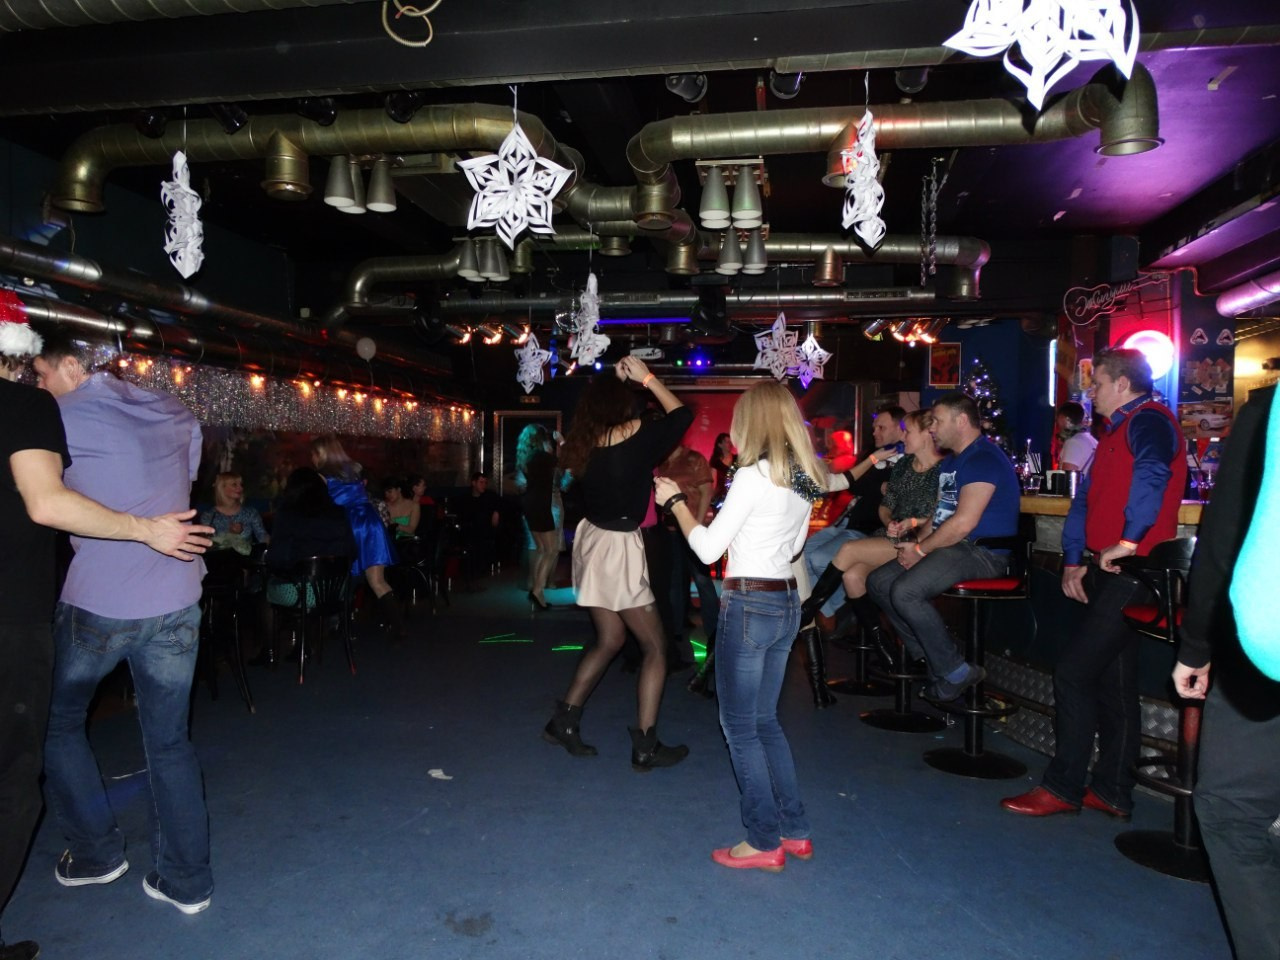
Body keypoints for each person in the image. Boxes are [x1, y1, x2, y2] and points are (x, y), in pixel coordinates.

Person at [0, 318, 211, 959]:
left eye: (40, 372)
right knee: (169, 742)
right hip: (177, 596)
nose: (37, 384)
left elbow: (44, 500)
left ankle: (96, 852)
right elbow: (184, 481)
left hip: (100, 603)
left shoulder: (54, 415)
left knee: (53, 724)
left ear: (70, 366)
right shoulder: (174, 408)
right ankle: (187, 881)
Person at [1002, 348, 1187, 818]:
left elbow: (1154, 473)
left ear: (1122, 384)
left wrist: (1128, 540)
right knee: (1114, 683)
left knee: (1073, 673)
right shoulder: (1114, 432)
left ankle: (1063, 787)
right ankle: (1112, 791)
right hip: (1113, 567)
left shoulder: (1150, 420)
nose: (1090, 394)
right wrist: (1072, 559)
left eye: (1097, 383)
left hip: (1139, 568)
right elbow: (1086, 499)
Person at [655, 381, 824, 872]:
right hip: (786, 600)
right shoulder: (804, 477)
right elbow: (795, 546)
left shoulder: (752, 475)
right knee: (766, 721)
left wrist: (675, 503)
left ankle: (764, 839)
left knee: (740, 727)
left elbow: (708, 548)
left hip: (750, 601)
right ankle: (794, 829)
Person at [542, 357, 691, 770]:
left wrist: (620, 380)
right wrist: (647, 378)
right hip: (618, 548)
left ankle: (562, 722)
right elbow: (682, 415)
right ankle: (645, 745)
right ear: (625, 404)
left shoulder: (583, 443)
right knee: (656, 646)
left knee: (610, 640)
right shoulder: (637, 435)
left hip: (592, 541)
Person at [1173, 383, 1280, 960]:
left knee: (1232, 810)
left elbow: (1225, 537)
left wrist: (1195, 643)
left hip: (1269, 643)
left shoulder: (1269, 410)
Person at [866, 392, 1020, 702]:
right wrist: (914, 544)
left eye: (937, 421)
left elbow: (963, 523)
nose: (932, 427)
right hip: (954, 547)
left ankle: (953, 671)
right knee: (879, 581)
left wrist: (921, 551)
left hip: (983, 553)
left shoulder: (983, 459)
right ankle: (935, 661)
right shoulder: (952, 461)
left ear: (961, 421)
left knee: (905, 591)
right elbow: (940, 516)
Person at [801, 409, 944, 664]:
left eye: (908, 431)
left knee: (847, 551)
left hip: (921, 539)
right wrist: (890, 522)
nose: (904, 437)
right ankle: (885, 649)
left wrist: (910, 524)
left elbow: (940, 514)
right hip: (891, 534)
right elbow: (885, 506)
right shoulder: (904, 465)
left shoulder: (943, 469)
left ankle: (807, 611)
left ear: (926, 434)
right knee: (851, 576)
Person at [800, 406, 905, 634]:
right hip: (847, 522)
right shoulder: (873, 453)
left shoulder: (907, 460)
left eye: (881, 427)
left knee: (820, 559)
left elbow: (886, 494)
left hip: (870, 531)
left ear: (900, 429)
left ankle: (836, 610)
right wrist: (878, 486)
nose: (874, 432)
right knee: (802, 555)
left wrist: (875, 485)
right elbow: (853, 485)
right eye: (874, 427)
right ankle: (830, 611)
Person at [309, 436, 402, 638]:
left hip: (351, 524)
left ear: (321, 453)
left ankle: (340, 626)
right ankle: (397, 627)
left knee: (345, 577)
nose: (312, 458)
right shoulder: (354, 469)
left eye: (313, 454)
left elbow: (324, 508)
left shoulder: (322, 476)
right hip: (371, 522)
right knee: (377, 581)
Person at [266, 468, 358, 614]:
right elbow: (352, 551)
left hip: (301, 592)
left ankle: (280, 628)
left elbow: (277, 558)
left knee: (266, 588)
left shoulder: (287, 515)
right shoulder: (339, 513)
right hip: (338, 591)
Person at [515, 424, 558, 611]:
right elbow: (561, 461)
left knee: (542, 549)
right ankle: (538, 590)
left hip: (530, 504)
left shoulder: (528, 457)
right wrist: (561, 443)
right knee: (551, 549)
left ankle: (536, 590)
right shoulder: (542, 457)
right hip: (540, 505)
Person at [199, 471, 269, 556]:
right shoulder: (209, 516)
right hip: (218, 561)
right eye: (234, 485)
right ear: (222, 488)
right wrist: (229, 534)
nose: (240, 488)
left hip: (246, 561)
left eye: (241, 484)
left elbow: (262, 536)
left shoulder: (250, 513)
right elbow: (205, 543)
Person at [459, 471, 500, 585]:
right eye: (481, 482)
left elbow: (500, 505)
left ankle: (477, 574)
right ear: (474, 483)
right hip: (470, 531)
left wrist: (496, 512)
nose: (484, 485)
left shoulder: (489, 497)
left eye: (485, 483)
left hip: (484, 531)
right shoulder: (466, 498)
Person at [1055, 401, 1098, 474]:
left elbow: (1069, 477)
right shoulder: (1090, 439)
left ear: (1066, 419)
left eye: (1058, 418)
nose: (1057, 423)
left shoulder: (1073, 442)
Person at [709, 432, 735, 508]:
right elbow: (713, 481)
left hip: (736, 493)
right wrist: (711, 497)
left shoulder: (737, 459)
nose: (730, 444)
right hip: (721, 497)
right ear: (720, 445)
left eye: (730, 442)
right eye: (727, 442)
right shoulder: (715, 462)